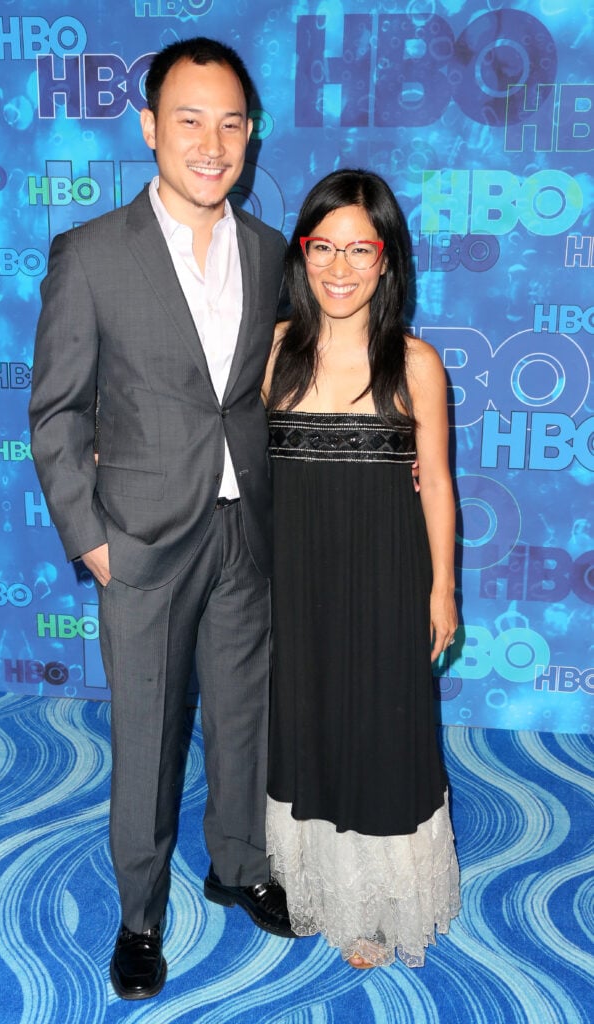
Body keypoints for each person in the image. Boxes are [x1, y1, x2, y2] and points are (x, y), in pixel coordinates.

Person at [29, 37, 293, 1002]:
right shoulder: (92, 255)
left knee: (242, 719)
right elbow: (55, 412)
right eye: (189, 119)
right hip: (140, 539)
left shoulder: (271, 252)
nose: (211, 141)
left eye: (229, 121)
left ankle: (237, 865)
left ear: (250, 132)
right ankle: (140, 917)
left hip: (244, 533)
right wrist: (91, 539)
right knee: (146, 735)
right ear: (149, 128)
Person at [263, 169, 461, 969]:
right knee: (304, 723)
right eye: (323, 247)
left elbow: (438, 482)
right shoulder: (271, 348)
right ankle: (311, 886)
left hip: (384, 576)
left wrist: (441, 587)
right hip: (292, 576)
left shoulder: (416, 363)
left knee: (380, 727)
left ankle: (379, 901)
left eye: (359, 249)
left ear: (386, 260)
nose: (338, 268)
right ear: (301, 252)